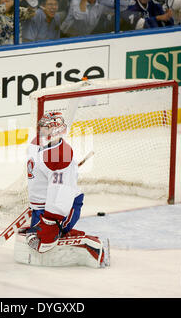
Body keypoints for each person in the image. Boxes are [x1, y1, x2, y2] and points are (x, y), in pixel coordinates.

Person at [14, 112, 110, 268]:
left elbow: (61, 194)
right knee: (30, 237)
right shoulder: (38, 144)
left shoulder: (59, 155)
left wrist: (51, 222)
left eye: (45, 127)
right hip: (41, 208)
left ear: (54, 131)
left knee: (44, 241)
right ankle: (57, 231)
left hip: (61, 210)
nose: (40, 129)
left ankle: (89, 245)